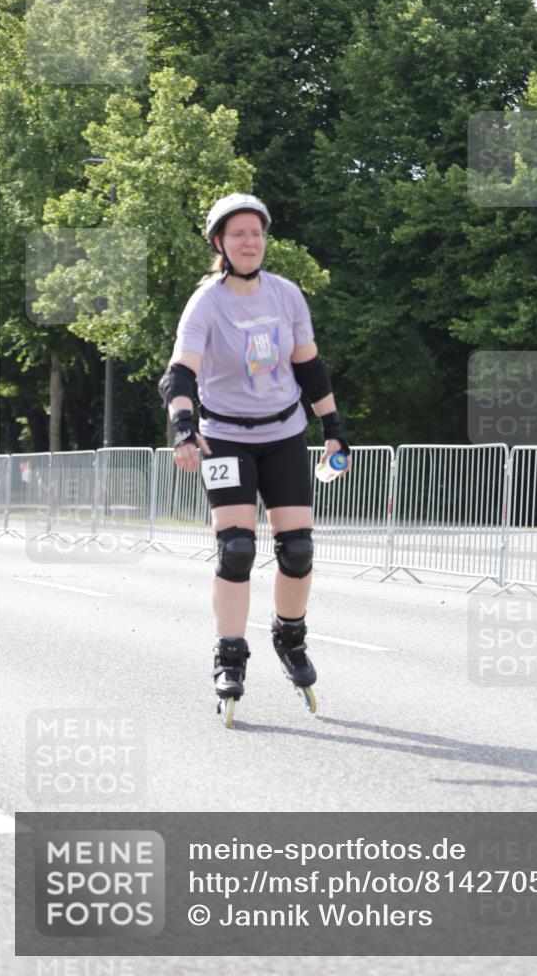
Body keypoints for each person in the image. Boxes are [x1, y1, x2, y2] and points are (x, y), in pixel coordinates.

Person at [158, 193, 351, 724]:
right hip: (224, 439)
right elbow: (180, 374)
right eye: (238, 234)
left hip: (285, 433)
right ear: (220, 243)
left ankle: (290, 635)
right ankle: (229, 654)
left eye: (257, 233)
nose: (250, 242)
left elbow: (310, 368)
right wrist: (183, 429)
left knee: (298, 550)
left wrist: (334, 430)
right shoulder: (206, 303)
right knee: (237, 549)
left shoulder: (287, 295)